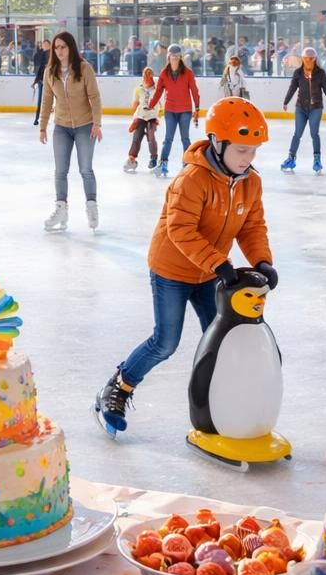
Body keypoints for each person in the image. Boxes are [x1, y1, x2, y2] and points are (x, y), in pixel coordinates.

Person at [93, 98, 276, 436]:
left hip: (210, 271)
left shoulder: (251, 182)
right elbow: (180, 230)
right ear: (218, 144)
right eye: (241, 151)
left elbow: (252, 227)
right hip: (172, 270)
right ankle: (117, 388)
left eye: (253, 151)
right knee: (166, 341)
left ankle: (225, 404)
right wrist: (219, 263)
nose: (248, 159)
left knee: (222, 338)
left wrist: (262, 260)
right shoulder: (191, 179)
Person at [38, 31, 103, 233]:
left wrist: (97, 124)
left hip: (85, 125)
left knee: (85, 169)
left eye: (63, 47)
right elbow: (47, 100)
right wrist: (42, 126)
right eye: (56, 47)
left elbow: (95, 97)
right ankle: (61, 209)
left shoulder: (84, 69)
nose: (59, 51)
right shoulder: (50, 71)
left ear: (70, 48)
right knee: (60, 171)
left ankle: (91, 207)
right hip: (62, 127)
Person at [146, 44, 201, 176]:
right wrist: (151, 105)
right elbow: (158, 91)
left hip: (185, 111)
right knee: (168, 139)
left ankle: (187, 163)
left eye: (177, 56)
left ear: (180, 57)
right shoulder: (164, 73)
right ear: (168, 57)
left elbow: (194, 90)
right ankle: (163, 163)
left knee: (185, 138)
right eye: (172, 56)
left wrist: (197, 107)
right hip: (170, 110)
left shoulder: (188, 73)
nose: (175, 59)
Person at [280, 46, 326, 174]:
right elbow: (292, 88)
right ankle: (291, 158)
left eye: (311, 58)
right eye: (306, 58)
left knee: (314, 134)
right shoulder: (298, 73)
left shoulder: (320, 73)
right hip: (301, 107)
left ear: (315, 59)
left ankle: (317, 160)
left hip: (316, 108)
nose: (308, 61)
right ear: (302, 59)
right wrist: (286, 101)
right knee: (297, 134)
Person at [124, 67, 163, 172]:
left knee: (151, 136)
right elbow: (134, 105)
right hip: (141, 116)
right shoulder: (138, 89)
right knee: (137, 136)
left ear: (152, 76)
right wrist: (135, 119)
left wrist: (157, 117)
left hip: (152, 117)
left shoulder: (157, 89)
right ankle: (132, 158)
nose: (146, 77)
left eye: (149, 75)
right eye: (145, 75)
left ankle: (154, 158)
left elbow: (160, 105)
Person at [31, 41, 49, 125]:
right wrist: (36, 81)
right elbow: (38, 68)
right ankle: (37, 118)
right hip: (41, 80)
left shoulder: (51, 54)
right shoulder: (40, 54)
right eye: (43, 44)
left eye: (46, 44)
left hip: (50, 80)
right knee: (40, 100)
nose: (44, 46)